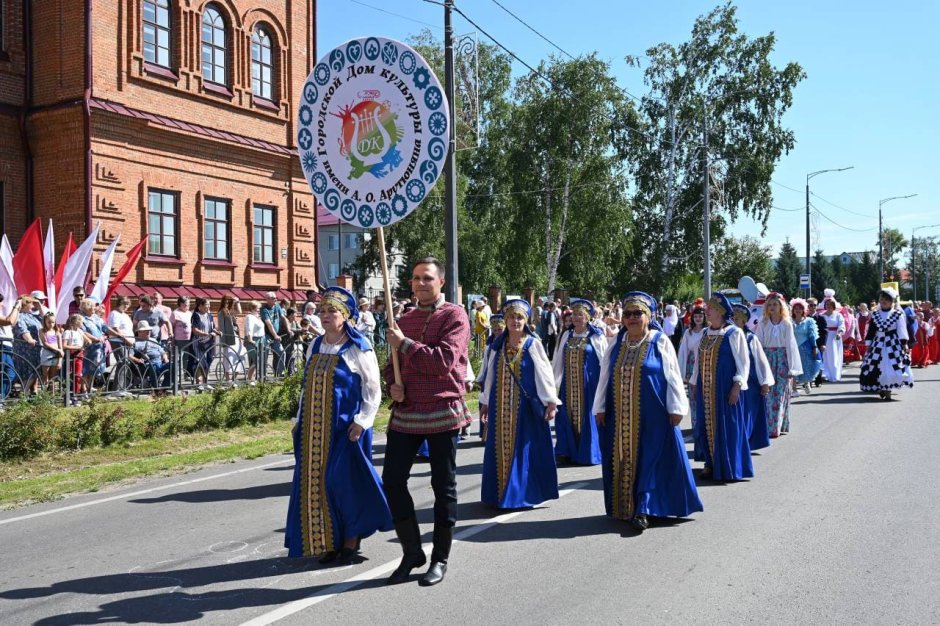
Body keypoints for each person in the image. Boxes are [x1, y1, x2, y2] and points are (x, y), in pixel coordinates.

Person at [284, 286, 392, 564]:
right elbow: (306, 387)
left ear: (345, 315)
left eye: (332, 310)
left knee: (344, 485)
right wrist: (299, 421)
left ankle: (350, 540)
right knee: (317, 484)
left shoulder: (358, 348)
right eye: (322, 310)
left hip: (346, 431)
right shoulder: (315, 345)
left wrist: (363, 422)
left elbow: (373, 390)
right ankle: (327, 540)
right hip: (313, 431)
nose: (325, 315)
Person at [382, 257, 471, 587]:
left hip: (442, 410)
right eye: (416, 278)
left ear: (441, 283)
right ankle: (412, 552)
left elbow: (443, 363)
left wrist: (403, 343)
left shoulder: (455, 315)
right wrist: (393, 382)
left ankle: (440, 558)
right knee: (392, 481)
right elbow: (393, 365)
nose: (421, 283)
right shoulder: (403, 318)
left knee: (442, 487)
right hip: (407, 413)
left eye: (428, 278)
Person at [592, 292, 702, 533]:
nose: (632, 318)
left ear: (649, 316)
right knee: (625, 459)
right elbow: (604, 378)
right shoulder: (616, 344)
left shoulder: (659, 341)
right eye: (628, 314)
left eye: (637, 313)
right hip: (619, 416)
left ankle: (644, 508)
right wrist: (600, 407)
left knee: (650, 460)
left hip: (654, 416)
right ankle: (627, 507)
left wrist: (676, 408)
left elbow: (672, 375)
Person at [479, 298, 560, 511]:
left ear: (526, 321)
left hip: (524, 409)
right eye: (511, 317)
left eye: (520, 317)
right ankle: (499, 493)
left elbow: (545, 374)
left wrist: (551, 402)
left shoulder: (533, 344)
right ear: (505, 320)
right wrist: (486, 402)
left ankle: (519, 494)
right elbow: (490, 377)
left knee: (522, 450)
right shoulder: (497, 346)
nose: (515, 321)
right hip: (499, 407)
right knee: (500, 450)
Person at [689, 292, 752, 481]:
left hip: (725, 388)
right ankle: (710, 463)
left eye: (711, 309)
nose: (707, 312)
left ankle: (729, 466)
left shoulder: (734, 333)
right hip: (704, 388)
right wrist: (694, 382)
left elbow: (743, 362)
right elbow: (698, 362)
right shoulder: (706, 333)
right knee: (705, 424)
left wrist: (737, 385)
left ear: (721, 312)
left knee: (727, 425)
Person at [551, 298, 605, 466]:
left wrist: (606, 388)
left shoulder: (596, 336)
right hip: (568, 386)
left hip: (590, 387)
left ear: (588, 317)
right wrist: (552, 386)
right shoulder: (567, 334)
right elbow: (558, 360)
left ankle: (588, 453)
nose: (576, 317)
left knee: (587, 417)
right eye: (574, 314)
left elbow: (605, 362)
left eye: (580, 314)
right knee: (566, 416)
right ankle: (565, 451)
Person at [755, 292, 802, 439]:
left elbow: (791, 345)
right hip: (767, 358)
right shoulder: (763, 323)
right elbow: (758, 344)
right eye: (770, 304)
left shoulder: (786, 324)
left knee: (781, 393)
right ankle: (769, 425)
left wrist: (792, 367)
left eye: (775, 304)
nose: (772, 307)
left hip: (782, 359)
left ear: (781, 306)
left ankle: (778, 425)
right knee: (768, 392)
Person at [732, 304, 773, 451]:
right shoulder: (727, 337)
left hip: (751, 382)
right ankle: (737, 441)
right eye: (732, 318)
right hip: (733, 381)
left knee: (748, 413)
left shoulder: (750, 338)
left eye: (737, 319)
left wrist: (765, 382)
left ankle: (746, 441)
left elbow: (761, 361)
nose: (734, 321)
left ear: (744, 322)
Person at [860, 287, 913, 400]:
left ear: (891, 302)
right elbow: (871, 331)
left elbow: (901, 330)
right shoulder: (875, 314)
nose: (884, 301)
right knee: (877, 365)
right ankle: (882, 387)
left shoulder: (897, 314)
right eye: (882, 299)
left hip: (892, 343)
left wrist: (904, 344)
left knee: (892, 366)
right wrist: (868, 345)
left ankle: (888, 389)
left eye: (887, 300)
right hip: (877, 343)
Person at [475, 313, 505, 441]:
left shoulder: (506, 343)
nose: (497, 332)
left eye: (500, 329)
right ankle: (486, 435)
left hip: (502, 377)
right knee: (486, 404)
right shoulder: (490, 344)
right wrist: (480, 378)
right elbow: (486, 363)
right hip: (489, 377)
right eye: (495, 330)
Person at [677, 305, 706, 429]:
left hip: (704, 363)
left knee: (705, 395)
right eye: (696, 316)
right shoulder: (688, 332)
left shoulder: (708, 331)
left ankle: (705, 424)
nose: (698, 319)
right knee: (693, 396)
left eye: (700, 316)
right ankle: (696, 426)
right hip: (691, 365)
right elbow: (683, 351)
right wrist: (681, 372)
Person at [14, 293, 47, 394]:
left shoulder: (33, 316)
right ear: (25, 305)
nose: (33, 306)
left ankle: (31, 393)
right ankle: (24, 393)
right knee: (28, 371)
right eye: (31, 304)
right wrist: (29, 339)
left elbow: (46, 320)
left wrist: (40, 306)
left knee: (34, 371)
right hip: (25, 349)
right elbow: (22, 329)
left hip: (35, 349)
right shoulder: (19, 316)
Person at [790, 298, 821, 395]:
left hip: (805, 347)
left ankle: (807, 382)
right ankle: (794, 389)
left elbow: (812, 335)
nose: (798, 310)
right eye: (796, 308)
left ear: (803, 310)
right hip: (793, 348)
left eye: (800, 308)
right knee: (793, 368)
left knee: (806, 367)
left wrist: (814, 347)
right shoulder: (789, 321)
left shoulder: (809, 321)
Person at [129, 321, 171, 390]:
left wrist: (165, 358)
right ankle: (156, 388)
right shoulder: (135, 342)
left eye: (149, 330)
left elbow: (162, 352)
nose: (148, 332)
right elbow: (129, 356)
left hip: (160, 362)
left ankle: (164, 388)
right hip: (148, 364)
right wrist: (138, 360)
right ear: (139, 332)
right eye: (146, 331)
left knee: (172, 365)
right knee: (153, 366)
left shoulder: (154, 340)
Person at [79, 298, 108, 395]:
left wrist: (117, 334)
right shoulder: (81, 318)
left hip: (98, 349)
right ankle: (83, 390)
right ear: (84, 307)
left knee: (94, 370)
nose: (93, 308)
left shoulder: (97, 318)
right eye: (90, 305)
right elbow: (83, 332)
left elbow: (105, 328)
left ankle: (89, 388)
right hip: (88, 348)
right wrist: (95, 338)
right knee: (86, 370)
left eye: (93, 306)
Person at [191, 297, 218, 390]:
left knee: (208, 362)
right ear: (200, 306)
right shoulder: (196, 315)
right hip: (198, 342)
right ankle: (199, 383)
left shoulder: (209, 315)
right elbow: (194, 330)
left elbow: (212, 327)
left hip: (208, 342)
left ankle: (206, 383)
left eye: (209, 304)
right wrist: (205, 334)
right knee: (199, 362)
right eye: (207, 304)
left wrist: (217, 331)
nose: (209, 306)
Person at [0, 294, 23, 399]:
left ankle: (1, 398)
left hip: (7, 347)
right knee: (5, 373)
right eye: (1, 302)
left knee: (10, 374)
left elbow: (12, 322)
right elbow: (9, 321)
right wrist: (16, 306)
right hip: (2, 346)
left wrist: (18, 308)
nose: (2, 304)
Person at [260, 291, 287, 378]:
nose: (276, 299)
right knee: (265, 354)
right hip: (267, 335)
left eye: (276, 298)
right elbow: (269, 324)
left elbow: (283, 318)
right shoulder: (264, 309)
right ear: (267, 299)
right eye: (273, 298)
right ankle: (262, 375)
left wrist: (289, 330)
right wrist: (275, 336)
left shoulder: (277, 306)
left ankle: (280, 373)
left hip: (276, 335)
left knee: (281, 352)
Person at [820, 293, 846, 382]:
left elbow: (841, 325)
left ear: (833, 306)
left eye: (830, 305)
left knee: (834, 356)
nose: (829, 306)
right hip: (824, 337)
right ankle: (825, 374)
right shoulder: (822, 316)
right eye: (827, 305)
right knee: (825, 356)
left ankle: (834, 375)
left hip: (834, 337)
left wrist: (839, 333)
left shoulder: (838, 315)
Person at [217, 295, 242, 382]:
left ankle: (234, 378)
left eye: (229, 301)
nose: (227, 303)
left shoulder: (230, 311)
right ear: (223, 302)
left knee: (238, 356)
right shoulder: (221, 312)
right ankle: (228, 379)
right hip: (228, 338)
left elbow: (239, 311)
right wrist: (224, 340)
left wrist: (237, 301)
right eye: (226, 301)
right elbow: (221, 327)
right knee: (228, 358)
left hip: (235, 336)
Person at [169, 296, 194, 385]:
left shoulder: (189, 313)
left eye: (188, 303)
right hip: (179, 339)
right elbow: (171, 325)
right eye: (186, 303)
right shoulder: (175, 313)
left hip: (189, 339)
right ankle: (177, 377)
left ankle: (186, 375)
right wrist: (172, 338)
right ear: (181, 304)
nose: (188, 305)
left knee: (187, 358)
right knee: (178, 358)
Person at [62, 314, 87, 399]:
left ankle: (76, 393)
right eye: (81, 321)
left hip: (79, 354)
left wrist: (88, 341)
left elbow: (87, 339)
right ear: (76, 322)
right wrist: (77, 347)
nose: (82, 323)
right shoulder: (67, 332)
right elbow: (64, 345)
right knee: (68, 375)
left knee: (78, 374)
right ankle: (68, 394)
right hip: (71, 355)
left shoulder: (80, 331)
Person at [38, 312, 63, 392]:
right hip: (46, 355)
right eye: (49, 322)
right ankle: (44, 393)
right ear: (45, 321)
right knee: (45, 375)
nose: (51, 324)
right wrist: (58, 350)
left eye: (53, 322)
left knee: (53, 376)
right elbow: (45, 343)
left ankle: (52, 394)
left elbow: (61, 348)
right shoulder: (42, 331)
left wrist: (60, 361)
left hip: (56, 356)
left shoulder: (57, 332)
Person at [106, 296, 135, 363]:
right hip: (118, 341)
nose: (126, 306)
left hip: (128, 342)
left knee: (128, 362)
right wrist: (126, 340)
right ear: (119, 303)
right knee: (123, 361)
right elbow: (115, 328)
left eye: (127, 304)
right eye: (124, 304)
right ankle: (119, 374)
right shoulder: (114, 314)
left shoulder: (125, 315)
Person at [807, 297, 828, 387]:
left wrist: (823, 344)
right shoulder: (805, 317)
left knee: (818, 361)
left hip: (818, 343)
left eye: (814, 305)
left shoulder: (821, 318)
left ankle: (818, 379)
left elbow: (824, 332)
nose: (813, 307)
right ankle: (808, 380)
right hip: (807, 343)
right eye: (811, 305)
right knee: (808, 361)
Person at [243, 302, 265, 383]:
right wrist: (250, 339)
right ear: (252, 308)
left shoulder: (257, 317)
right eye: (258, 308)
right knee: (255, 360)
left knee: (257, 361)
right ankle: (249, 378)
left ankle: (252, 378)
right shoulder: (250, 317)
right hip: (253, 340)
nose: (259, 310)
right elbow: (249, 329)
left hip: (260, 340)